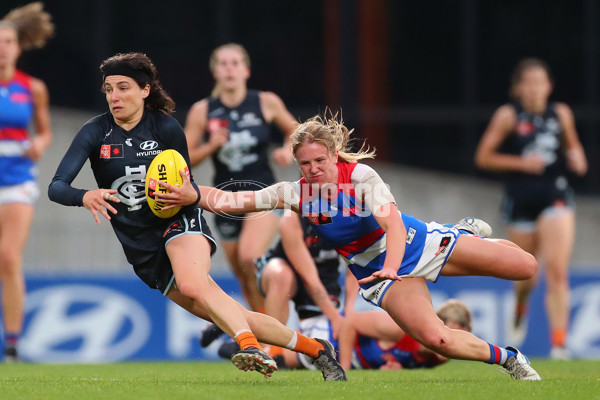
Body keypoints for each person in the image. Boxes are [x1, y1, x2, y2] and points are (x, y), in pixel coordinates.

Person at [47, 52, 346, 381]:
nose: (114, 97)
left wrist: (187, 197)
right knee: (228, 312)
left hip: (179, 221)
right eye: (108, 89)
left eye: (123, 87)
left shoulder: (165, 128)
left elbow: (185, 184)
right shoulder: (95, 132)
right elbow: (57, 187)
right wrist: (84, 195)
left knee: (194, 283)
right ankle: (318, 350)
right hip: (140, 243)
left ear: (145, 90)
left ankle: (249, 346)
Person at [184, 112, 542, 380]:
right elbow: (234, 201)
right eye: (304, 163)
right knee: (437, 340)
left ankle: (462, 233)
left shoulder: (360, 177)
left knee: (526, 268)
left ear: (335, 154)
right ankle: (509, 359)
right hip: (376, 271)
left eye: (319, 160)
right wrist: (191, 194)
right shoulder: (294, 194)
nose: (312, 169)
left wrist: (394, 264)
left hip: (414, 243)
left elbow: (393, 225)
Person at [475, 58, 588, 359]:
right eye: (530, 83)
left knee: (557, 270)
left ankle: (559, 345)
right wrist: (522, 164)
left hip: (556, 196)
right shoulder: (508, 116)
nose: (536, 89)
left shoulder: (560, 113)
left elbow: (574, 148)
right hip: (521, 200)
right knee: (526, 274)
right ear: (519, 88)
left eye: (541, 82)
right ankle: (520, 309)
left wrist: (578, 158)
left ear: (549, 86)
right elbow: (484, 156)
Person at [184, 43, 297, 313]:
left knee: (249, 256)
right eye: (223, 64)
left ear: (246, 70)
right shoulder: (203, 110)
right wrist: (211, 146)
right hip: (224, 200)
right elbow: (183, 158)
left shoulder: (265, 101)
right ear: (215, 72)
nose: (229, 69)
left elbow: (296, 130)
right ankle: (263, 339)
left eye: (235, 63)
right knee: (244, 277)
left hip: (265, 193)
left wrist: (286, 149)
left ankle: (279, 331)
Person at [213, 210, 357, 370]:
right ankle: (272, 350)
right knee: (282, 277)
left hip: (325, 280)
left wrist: (349, 310)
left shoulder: (349, 218)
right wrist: (335, 318)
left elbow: (355, 267)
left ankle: (241, 332)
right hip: (286, 271)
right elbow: (310, 280)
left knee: (318, 332)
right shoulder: (292, 220)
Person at [0, 2, 54, 362]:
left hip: (17, 179)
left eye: (7, 41)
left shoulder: (32, 88)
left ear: (18, 47)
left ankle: (13, 342)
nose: (2, 47)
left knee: (7, 256)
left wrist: (39, 143)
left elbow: (46, 132)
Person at [338, 299, 472, 370]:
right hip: (330, 338)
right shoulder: (402, 329)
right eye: (450, 332)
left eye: (459, 338)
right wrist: (344, 368)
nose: (452, 341)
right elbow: (350, 323)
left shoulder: (437, 359)